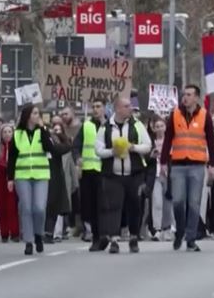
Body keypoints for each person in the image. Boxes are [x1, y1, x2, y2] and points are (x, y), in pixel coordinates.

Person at [160, 85, 214, 252]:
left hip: (197, 166)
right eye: (184, 94)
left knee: (194, 204)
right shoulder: (175, 114)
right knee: (178, 201)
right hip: (177, 165)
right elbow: (168, 139)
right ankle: (179, 231)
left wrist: (213, 165)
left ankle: (191, 239)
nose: (185, 97)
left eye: (189, 95)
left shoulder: (204, 116)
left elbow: (212, 143)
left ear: (196, 98)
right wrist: (163, 162)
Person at [95, 97, 151, 254]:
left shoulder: (137, 125)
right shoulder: (106, 127)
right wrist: (112, 152)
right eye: (127, 106)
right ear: (117, 108)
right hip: (113, 175)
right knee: (114, 206)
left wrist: (133, 147)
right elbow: (98, 149)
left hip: (134, 174)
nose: (130, 109)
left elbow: (147, 146)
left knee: (134, 205)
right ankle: (114, 239)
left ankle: (134, 237)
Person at [8, 104, 54, 255]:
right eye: (35, 113)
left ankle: (38, 234)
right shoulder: (17, 134)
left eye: (38, 114)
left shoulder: (43, 132)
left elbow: (49, 148)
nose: (37, 116)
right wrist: (10, 178)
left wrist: (42, 128)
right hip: (22, 176)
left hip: (41, 175)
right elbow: (12, 158)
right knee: (26, 208)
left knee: (39, 208)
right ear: (27, 115)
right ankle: (28, 241)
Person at [73, 99, 106, 246]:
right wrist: (78, 157)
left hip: (105, 171)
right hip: (88, 170)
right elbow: (76, 145)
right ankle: (92, 232)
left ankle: (104, 233)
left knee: (103, 204)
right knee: (88, 204)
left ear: (105, 108)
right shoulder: (86, 125)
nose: (95, 109)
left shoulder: (110, 125)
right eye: (93, 106)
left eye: (98, 106)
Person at [45, 122, 77, 243]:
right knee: (47, 208)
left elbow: (67, 146)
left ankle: (50, 233)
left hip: (55, 180)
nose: (54, 132)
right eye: (53, 130)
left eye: (58, 130)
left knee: (54, 208)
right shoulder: (48, 144)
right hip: (44, 178)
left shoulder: (56, 147)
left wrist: (61, 135)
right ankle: (46, 232)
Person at [147, 115, 173, 241]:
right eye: (157, 126)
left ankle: (167, 228)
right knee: (157, 202)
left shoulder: (171, 141)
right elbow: (145, 158)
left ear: (165, 127)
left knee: (168, 203)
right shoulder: (150, 142)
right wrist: (152, 155)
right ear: (153, 129)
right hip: (155, 175)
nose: (159, 129)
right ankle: (156, 229)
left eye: (162, 126)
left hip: (168, 175)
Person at [0, 123, 20, 242]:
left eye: (9, 132)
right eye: (5, 132)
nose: (7, 134)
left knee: (12, 206)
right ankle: (4, 233)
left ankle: (15, 232)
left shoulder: (16, 146)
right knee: (2, 206)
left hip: (12, 177)